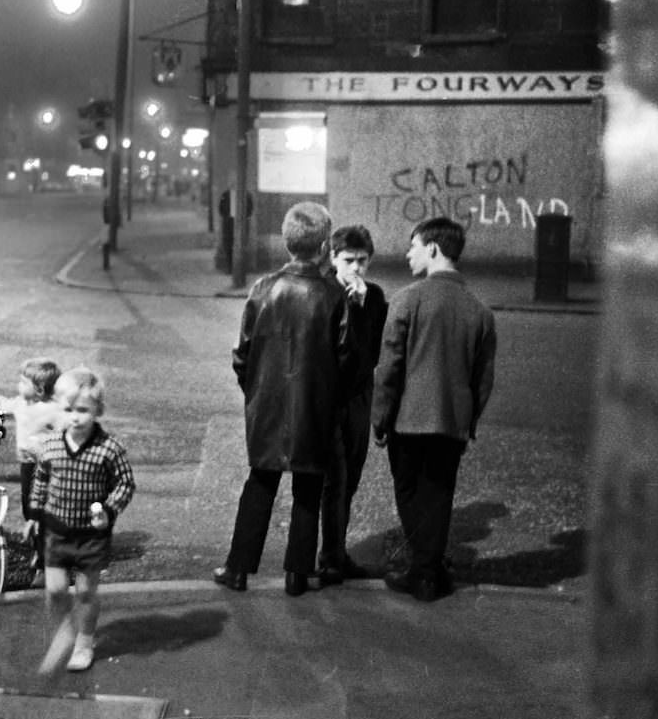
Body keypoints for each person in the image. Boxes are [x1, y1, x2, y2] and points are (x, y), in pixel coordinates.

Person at [212, 201, 356, 597]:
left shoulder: (263, 289)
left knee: (260, 483)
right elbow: (346, 359)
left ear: (287, 240)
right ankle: (297, 573)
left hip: (268, 407)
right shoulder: (333, 295)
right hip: (315, 408)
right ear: (326, 245)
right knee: (308, 490)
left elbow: (243, 354)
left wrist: (257, 391)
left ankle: (238, 568)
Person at [371, 216, 497, 602]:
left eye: (413, 246)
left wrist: (379, 417)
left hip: (408, 420)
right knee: (440, 494)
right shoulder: (480, 311)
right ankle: (429, 569)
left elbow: (389, 367)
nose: (408, 253)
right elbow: (483, 379)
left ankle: (422, 572)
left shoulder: (408, 299)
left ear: (433, 249)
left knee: (409, 491)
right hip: (452, 423)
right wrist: (469, 420)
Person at [31, 367, 135, 674]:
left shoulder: (109, 449)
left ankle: (84, 642)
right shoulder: (50, 445)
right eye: (68, 409)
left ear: (97, 411)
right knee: (54, 589)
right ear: (58, 408)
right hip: (56, 530)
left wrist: (109, 509)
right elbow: (41, 479)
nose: (75, 417)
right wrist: (35, 514)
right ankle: (66, 627)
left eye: (83, 410)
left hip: (91, 534)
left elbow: (125, 484)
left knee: (87, 592)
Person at [318, 224, 388, 585]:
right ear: (333, 258)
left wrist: (361, 309)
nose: (356, 268)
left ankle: (336, 550)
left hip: (359, 397)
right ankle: (330, 557)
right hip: (330, 399)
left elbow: (372, 353)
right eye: (348, 260)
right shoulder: (323, 292)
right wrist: (350, 309)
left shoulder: (374, 297)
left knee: (352, 477)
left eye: (362, 260)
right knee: (335, 479)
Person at [0, 357, 64, 570]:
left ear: (39, 389)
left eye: (23, 382)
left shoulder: (54, 410)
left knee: (46, 511)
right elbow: (3, 404)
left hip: (50, 468)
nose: (18, 386)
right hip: (28, 464)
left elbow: (66, 434)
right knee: (29, 509)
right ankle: (40, 548)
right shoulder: (21, 403)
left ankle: (47, 560)